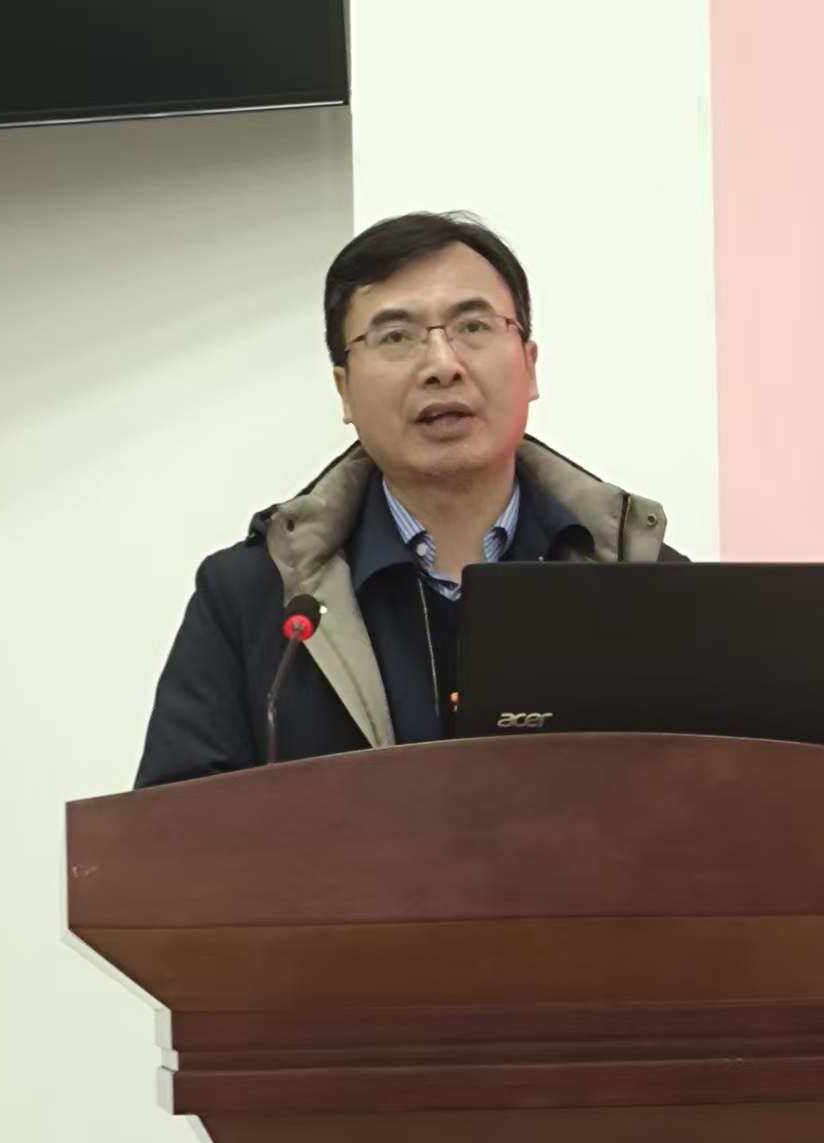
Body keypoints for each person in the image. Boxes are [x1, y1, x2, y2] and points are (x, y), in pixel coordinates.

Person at [135, 209, 686, 788]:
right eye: (396, 336)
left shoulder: (648, 583)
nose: (442, 366)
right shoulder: (254, 600)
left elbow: (711, 808)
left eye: (474, 326)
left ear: (529, 366)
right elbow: (172, 833)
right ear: (345, 390)